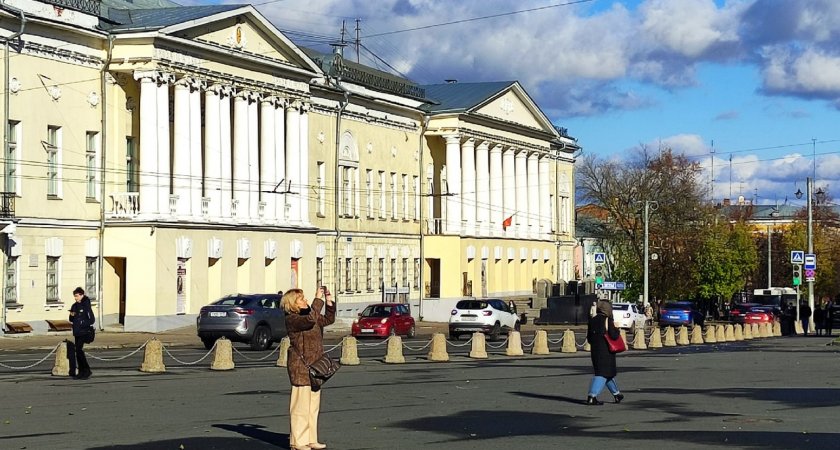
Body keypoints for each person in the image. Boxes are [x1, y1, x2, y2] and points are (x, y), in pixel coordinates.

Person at [282, 286, 335, 450]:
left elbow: (328, 320)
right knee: (300, 407)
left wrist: (329, 301)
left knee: (313, 406)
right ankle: (298, 442)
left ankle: (311, 438)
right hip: (301, 366)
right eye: (301, 299)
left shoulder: (310, 314)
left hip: (316, 366)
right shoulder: (293, 319)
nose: (305, 300)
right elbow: (311, 320)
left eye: (305, 297)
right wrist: (317, 300)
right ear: (293, 304)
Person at [585, 300, 624, 405]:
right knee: (602, 374)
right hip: (606, 351)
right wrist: (617, 329)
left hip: (595, 351)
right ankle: (592, 396)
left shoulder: (592, 320)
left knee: (607, 374)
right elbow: (613, 335)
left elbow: (589, 338)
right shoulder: (607, 320)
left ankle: (617, 394)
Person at [68, 287, 95, 379]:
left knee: (79, 350)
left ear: (82, 295)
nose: (75, 298)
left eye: (77, 296)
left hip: (84, 332)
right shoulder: (74, 306)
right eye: (75, 296)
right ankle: (82, 371)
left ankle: (86, 371)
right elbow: (71, 319)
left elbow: (91, 320)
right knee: (78, 352)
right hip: (77, 332)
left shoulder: (86, 305)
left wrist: (82, 323)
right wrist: (72, 315)